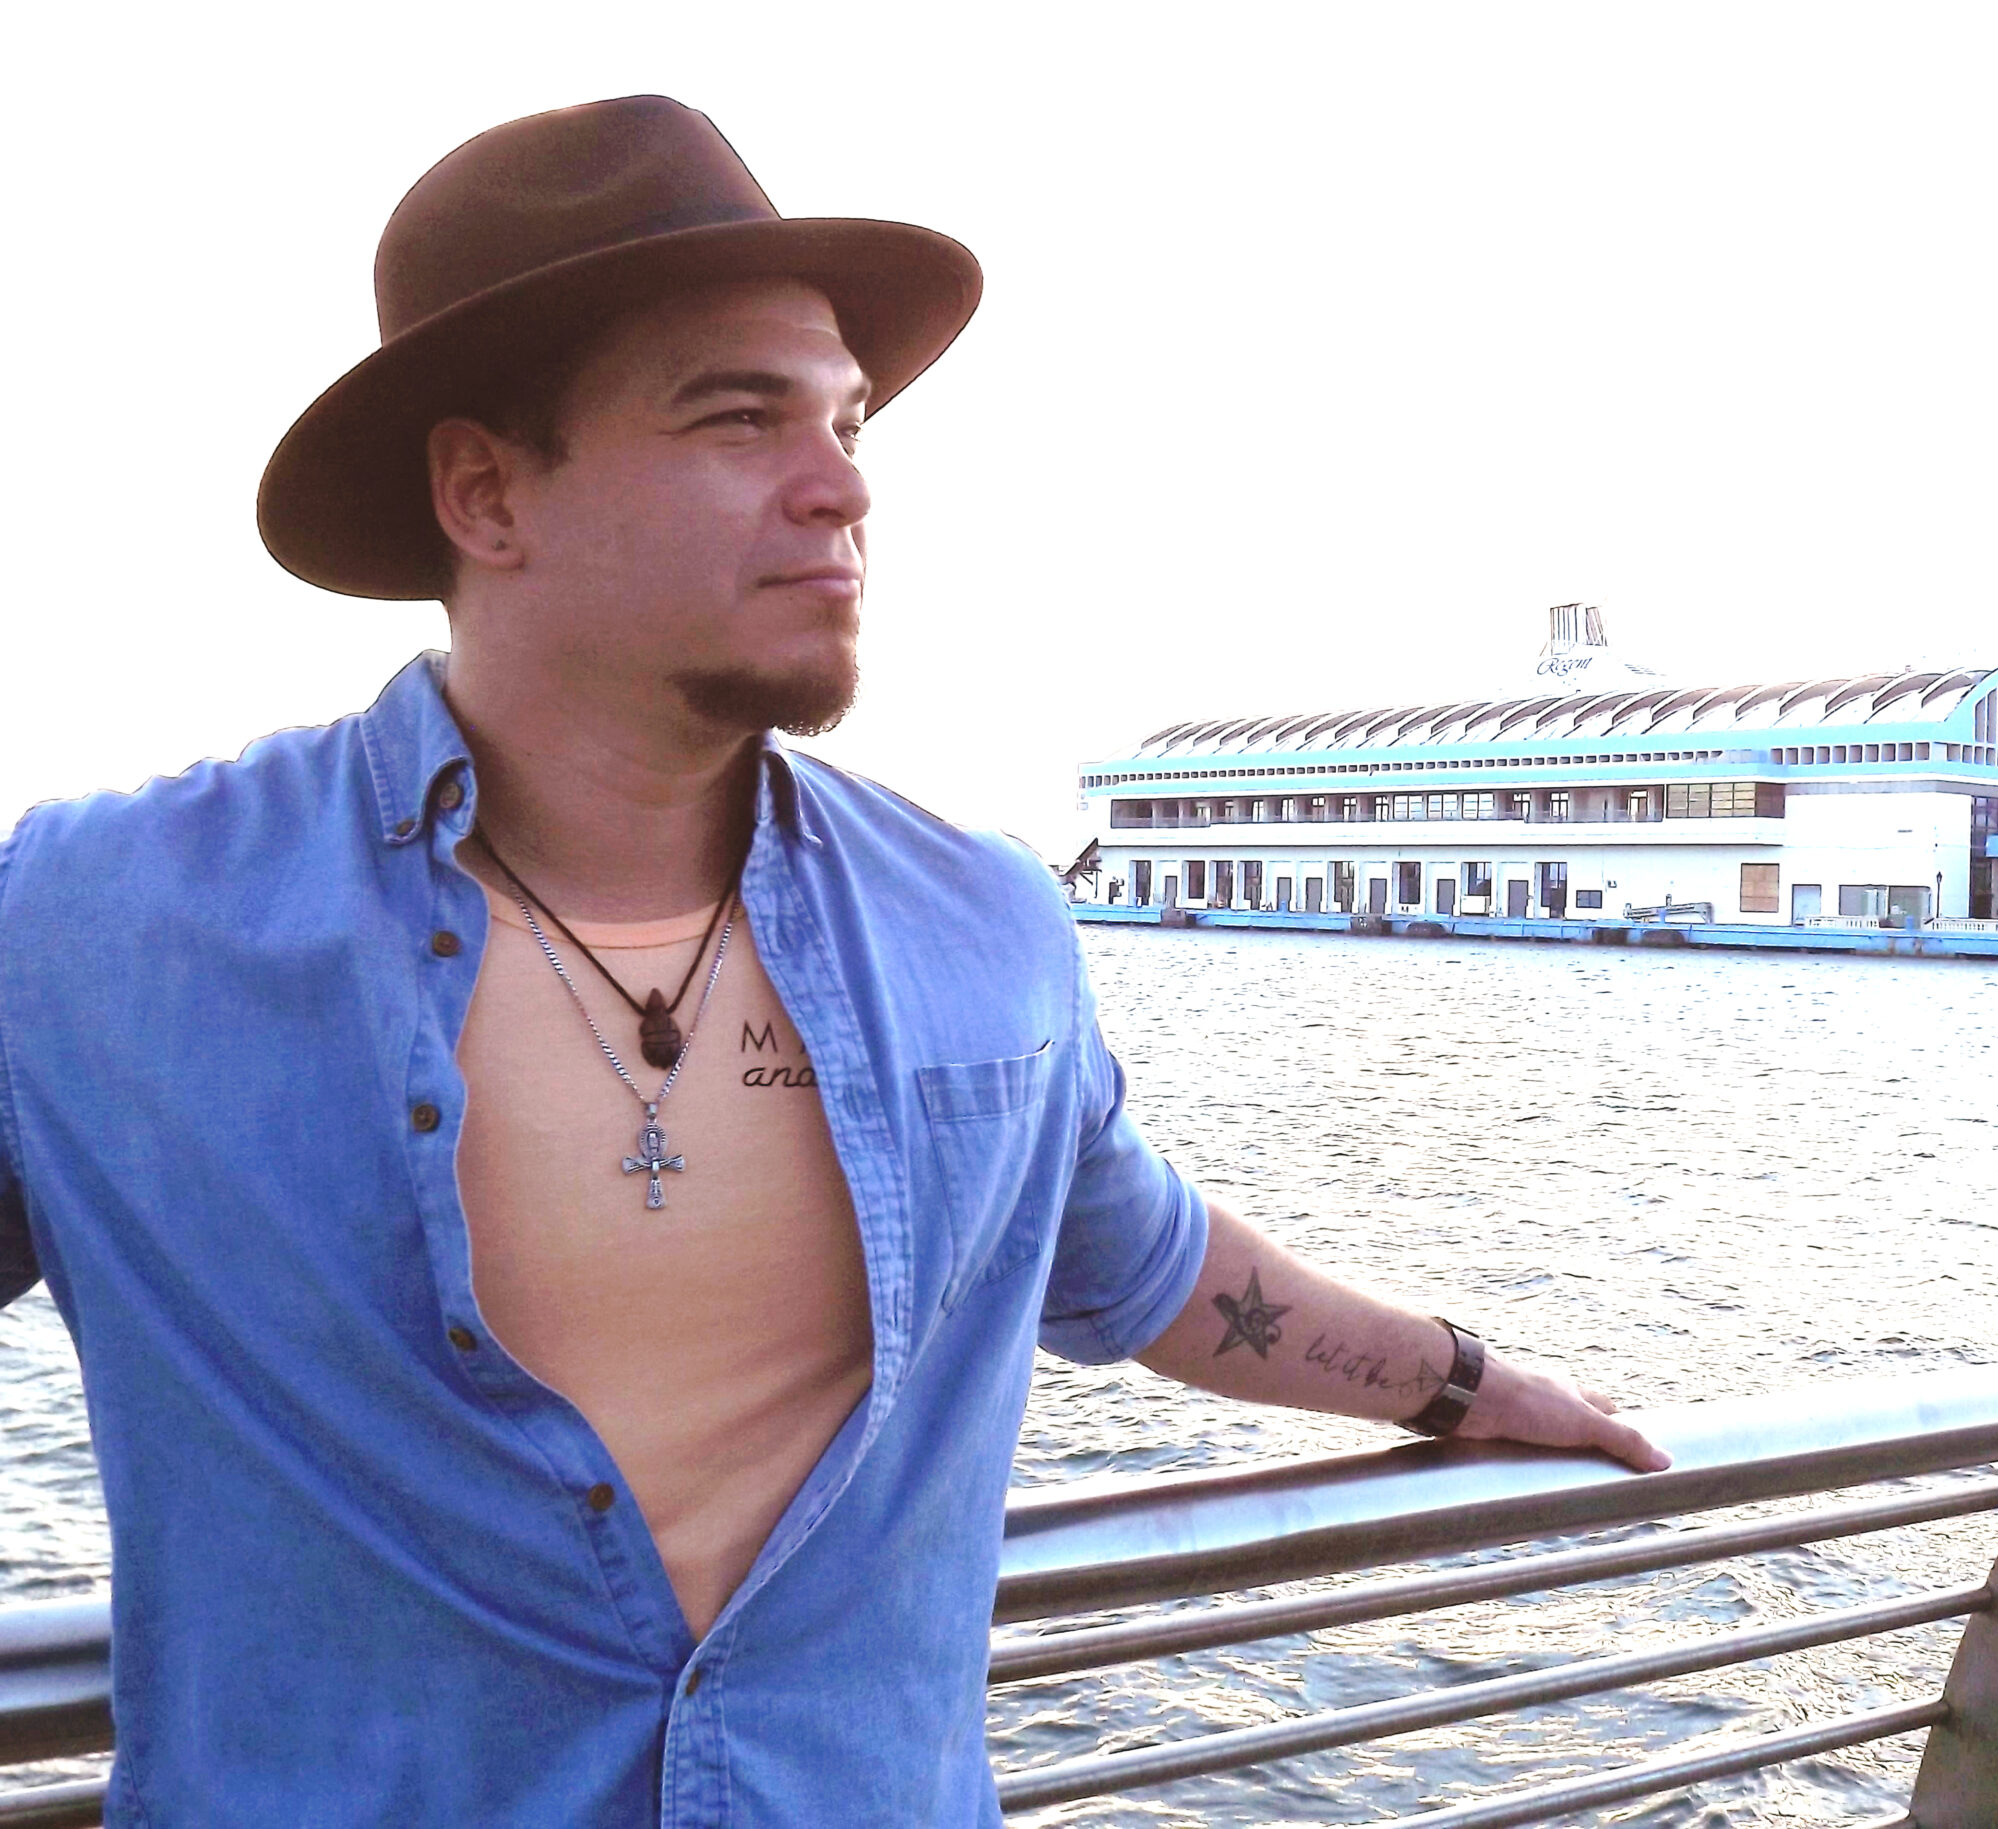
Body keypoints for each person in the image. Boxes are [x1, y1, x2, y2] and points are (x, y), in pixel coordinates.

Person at [0, 96, 1661, 1824]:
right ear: (486, 491)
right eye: (739, 418)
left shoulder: (981, 924)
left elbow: (1144, 1261)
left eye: (849, 422)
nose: (844, 487)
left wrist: (1467, 1381)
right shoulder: (100, 928)